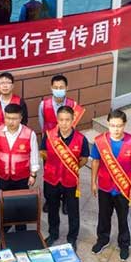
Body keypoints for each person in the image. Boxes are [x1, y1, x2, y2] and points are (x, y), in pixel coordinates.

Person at [90, 109, 131, 261]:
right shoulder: (100, 141)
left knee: (123, 217)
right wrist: (93, 182)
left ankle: (124, 244)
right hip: (105, 186)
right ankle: (103, 239)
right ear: (108, 124)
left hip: (123, 188)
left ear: (124, 125)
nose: (116, 129)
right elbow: (95, 162)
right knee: (103, 215)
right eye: (113, 125)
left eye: (119, 126)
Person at [40, 106, 90, 251]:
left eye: (67, 120)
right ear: (57, 120)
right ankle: (53, 234)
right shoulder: (49, 135)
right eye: (61, 120)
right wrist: (53, 163)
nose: (64, 123)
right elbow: (43, 152)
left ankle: (72, 238)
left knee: (73, 211)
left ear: (73, 120)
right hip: (51, 179)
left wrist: (71, 167)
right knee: (52, 208)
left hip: (70, 180)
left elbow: (84, 158)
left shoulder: (81, 139)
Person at [0, 103, 39, 233]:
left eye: (14, 118)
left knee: (21, 204)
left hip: (22, 177)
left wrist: (33, 174)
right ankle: (5, 227)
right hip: (2, 175)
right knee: (5, 204)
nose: (11, 122)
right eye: (8, 118)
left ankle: (20, 230)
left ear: (21, 118)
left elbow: (34, 156)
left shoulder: (29, 134)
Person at [38, 75, 85, 213]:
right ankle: (50, 200)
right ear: (51, 88)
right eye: (56, 87)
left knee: (67, 173)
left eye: (61, 87)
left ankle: (66, 201)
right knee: (49, 172)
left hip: (68, 147)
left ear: (66, 88)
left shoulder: (73, 105)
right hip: (50, 144)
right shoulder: (43, 105)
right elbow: (42, 124)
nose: (58, 90)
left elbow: (74, 126)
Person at [0, 72, 29, 137]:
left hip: (15, 137)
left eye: (8, 83)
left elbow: (24, 122)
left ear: (12, 86)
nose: (5, 86)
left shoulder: (20, 102)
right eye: (2, 83)